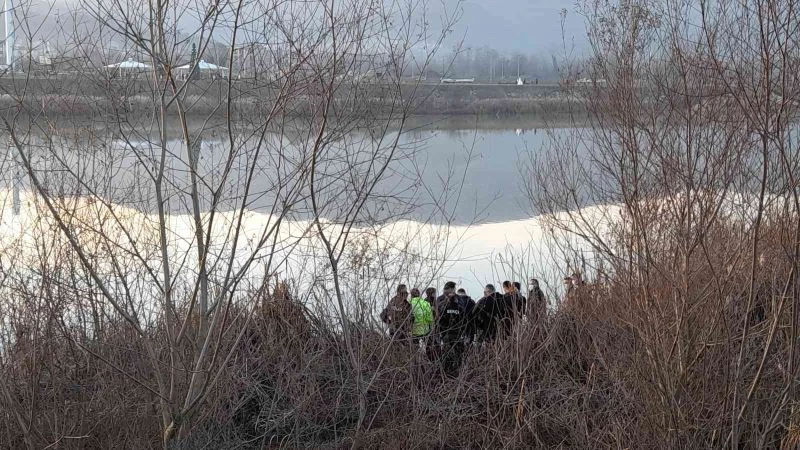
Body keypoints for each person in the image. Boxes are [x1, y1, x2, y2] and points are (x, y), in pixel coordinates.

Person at [437, 284, 467, 377]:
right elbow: (439, 318)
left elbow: (463, 317)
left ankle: (452, 373)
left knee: (453, 354)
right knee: (451, 354)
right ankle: (449, 373)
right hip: (450, 334)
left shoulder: (455, 303)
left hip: (452, 334)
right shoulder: (443, 302)